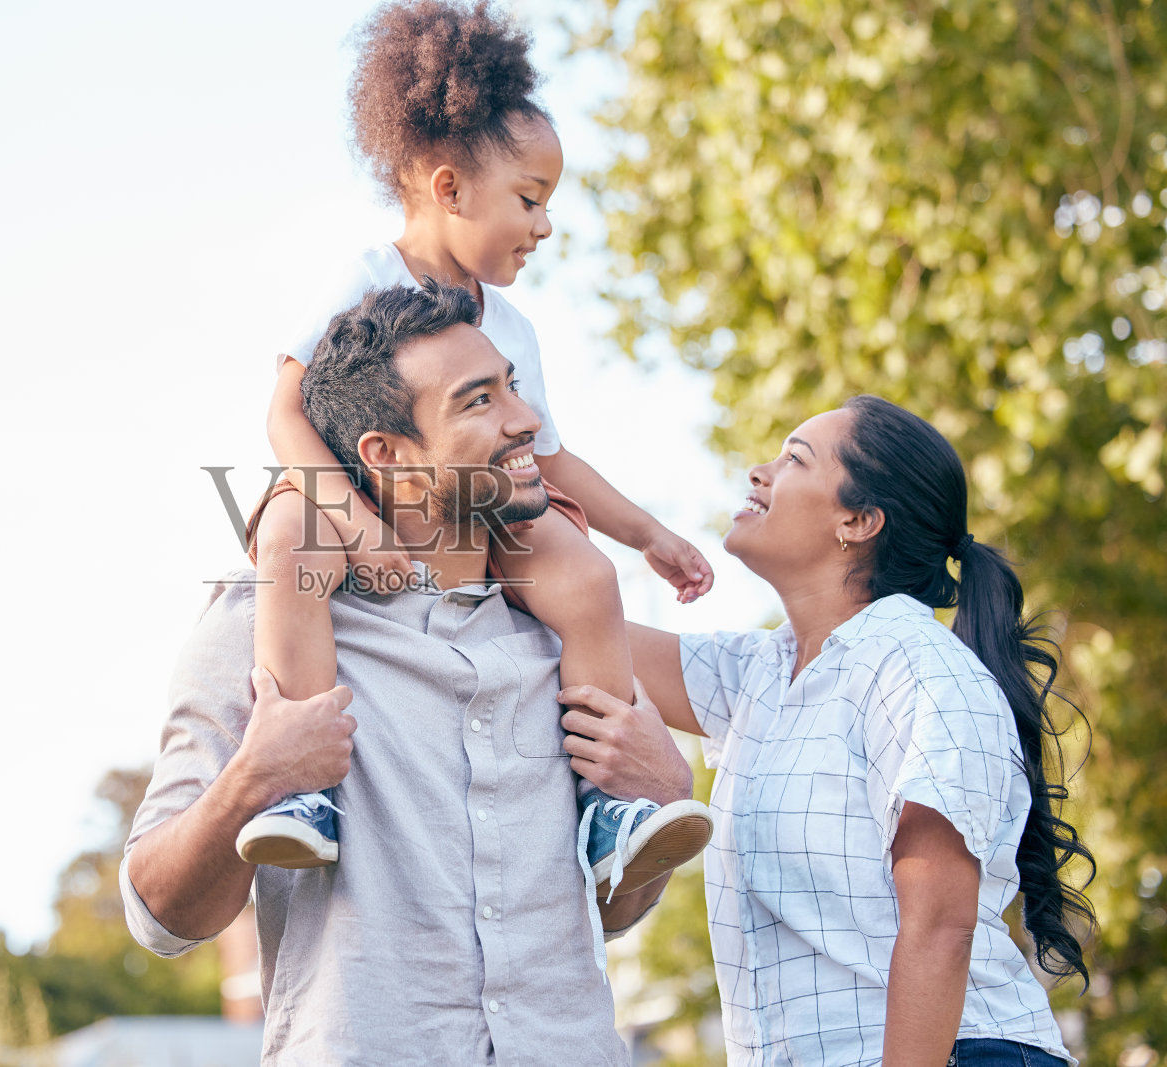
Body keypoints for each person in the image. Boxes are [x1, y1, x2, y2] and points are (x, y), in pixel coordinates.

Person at [122, 280, 698, 1065]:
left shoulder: (566, 621)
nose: (526, 421)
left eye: (514, 389)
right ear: (387, 456)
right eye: (478, 401)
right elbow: (160, 915)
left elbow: (615, 905)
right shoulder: (268, 615)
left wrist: (659, 793)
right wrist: (254, 781)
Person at [238, 0, 714, 913]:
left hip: (478, 514)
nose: (542, 227)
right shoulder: (364, 279)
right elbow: (285, 412)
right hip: (362, 495)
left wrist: (647, 531)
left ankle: (607, 806)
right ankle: (304, 785)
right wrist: (352, 515)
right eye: (528, 201)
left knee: (584, 574)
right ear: (449, 188)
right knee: (290, 534)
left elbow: (555, 459)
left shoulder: (515, 328)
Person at [574, 395, 1093, 1065]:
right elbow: (574, 614)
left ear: (858, 520)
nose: (758, 472)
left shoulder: (920, 668)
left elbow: (940, 924)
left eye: (793, 458)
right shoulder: (759, 672)